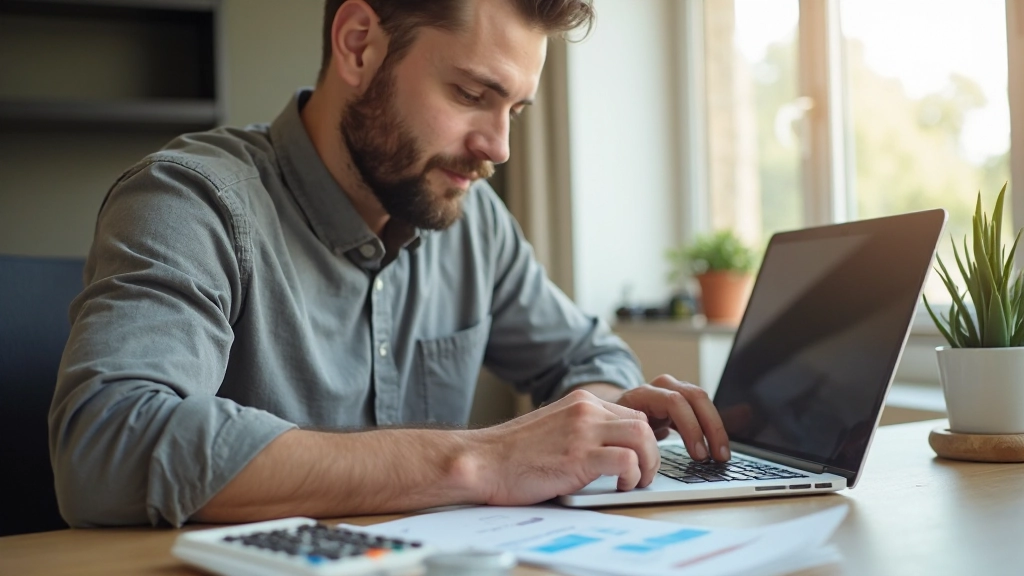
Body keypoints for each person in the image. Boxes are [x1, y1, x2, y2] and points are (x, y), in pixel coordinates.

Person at [49, 0, 730, 528]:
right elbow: (109, 444)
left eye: (515, 109)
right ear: (359, 45)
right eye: (470, 94)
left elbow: (595, 363)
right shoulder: (191, 200)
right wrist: (481, 460)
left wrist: (593, 428)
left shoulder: (474, 222)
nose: (498, 148)